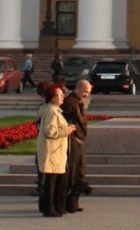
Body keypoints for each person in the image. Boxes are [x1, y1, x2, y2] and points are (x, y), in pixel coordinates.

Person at [36, 82, 75, 217]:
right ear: (51, 97)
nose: (62, 97)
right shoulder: (52, 112)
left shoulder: (54, 110)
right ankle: (49, 208)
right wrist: (66, 130)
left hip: (55, 152)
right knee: (51, 183)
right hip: (52, 152)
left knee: (55, 181)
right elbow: (49, 131)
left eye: (62, 94)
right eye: (59, 95)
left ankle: (55, 207)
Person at [61, 80, 93, 212]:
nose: (86, 95)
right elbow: (61, 118)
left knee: (80, 170)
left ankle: (74, 202)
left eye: (89, 92)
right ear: (78, 88)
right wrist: (70, 129)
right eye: (85, 91)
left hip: (78, 139)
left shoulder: (78, 101)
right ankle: (69, 203)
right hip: (72, 140)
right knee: (73, 172)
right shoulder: (69, 102)